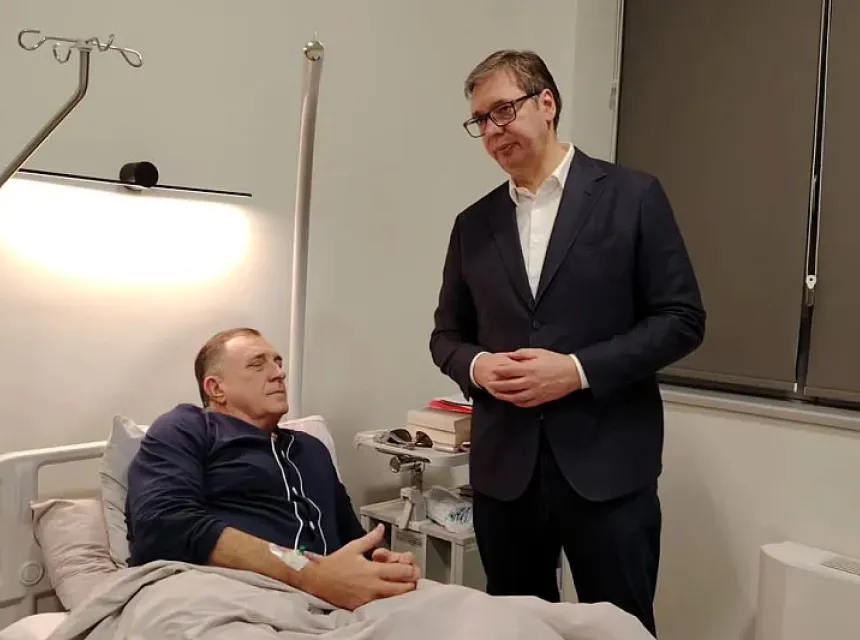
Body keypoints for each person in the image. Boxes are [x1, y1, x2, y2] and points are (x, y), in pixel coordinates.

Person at [429, 50, 705, 636]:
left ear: (547, 103)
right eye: (480, 120)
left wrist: (576, 370)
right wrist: (477, 366)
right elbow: (446, 336)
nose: (492, 131)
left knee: (621, 628)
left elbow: (681, 319)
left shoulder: (632, 196)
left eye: (503, 110)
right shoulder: (472, 224)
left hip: (609, 470)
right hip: (505, 475)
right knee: (513, 629)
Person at [125, 327, 420, 611]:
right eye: (257, 364)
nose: (279, 373)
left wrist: (381, 563)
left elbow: (351, 537)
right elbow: (162, 525)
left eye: (278, 362)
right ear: (216, 388)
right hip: (232, 596)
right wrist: (312, 573)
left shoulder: (311, 448)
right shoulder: (186, 428)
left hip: (339, 602)